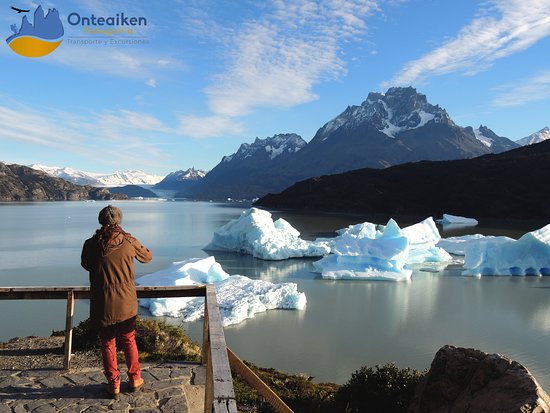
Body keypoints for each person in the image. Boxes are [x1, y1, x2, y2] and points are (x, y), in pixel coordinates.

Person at [81, 205, 152, 397]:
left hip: (102, 302)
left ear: (101, 220)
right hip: (126, 302)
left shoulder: (90, 244)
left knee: (107, 343)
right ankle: (135, 379)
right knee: (129, 339)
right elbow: (147, 257)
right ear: (119, 220)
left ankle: (114, 384)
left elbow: (86, 264)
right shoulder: (128, 241)